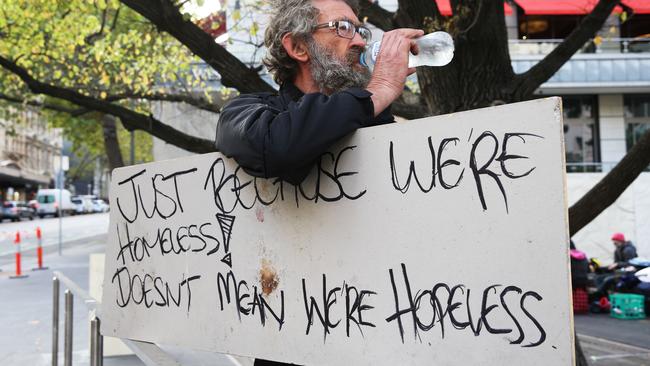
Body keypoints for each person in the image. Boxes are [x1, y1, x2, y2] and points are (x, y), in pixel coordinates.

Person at [215, 0, 423, 185]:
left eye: (360, 31)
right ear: (298, 47)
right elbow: (276, 149)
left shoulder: (374, 116)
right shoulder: (245, 112)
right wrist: (380, 88)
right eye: (343, 27)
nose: (360, 42)